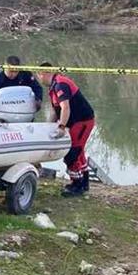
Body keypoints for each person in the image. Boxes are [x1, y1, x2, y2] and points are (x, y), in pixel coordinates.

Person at [37, 63, 97, 198]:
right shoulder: (53, 86)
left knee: (73, 153)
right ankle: (83, 183)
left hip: (82, 121)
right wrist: (48, 126)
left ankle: (77, 185)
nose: (38, 79)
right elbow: (55, 109)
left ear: (44, 73)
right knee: (78, 152)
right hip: (76, 122)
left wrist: (61, 127)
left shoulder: (60, 85)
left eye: (38, 75)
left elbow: (65, 108)